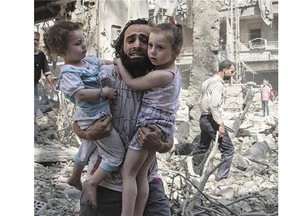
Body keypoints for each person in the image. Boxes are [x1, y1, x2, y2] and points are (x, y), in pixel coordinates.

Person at [73, 18, 173, 216]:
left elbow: (169, 141)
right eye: (131, 40)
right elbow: (77, 123)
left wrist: (159, 144)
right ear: (122, 46)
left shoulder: (163, 83)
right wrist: (90, 133)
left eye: (144, 40)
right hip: (103, 182)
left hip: (146, 183)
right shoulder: (102, 76)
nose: (137, 44)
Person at [44, 20, 126, 208]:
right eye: (77, 43)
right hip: (92, 117)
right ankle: (92, 182)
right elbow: (80, 94)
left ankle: (74, 177)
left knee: (88, 146)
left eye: (83, 41)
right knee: (116, 155)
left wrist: (116, 61)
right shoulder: (68, 72)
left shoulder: (87, 61)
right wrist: (103, 92)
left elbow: (102, 62)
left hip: (94, 114)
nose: (83, 45)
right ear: (62, 51)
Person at [115, 22, 183, 216]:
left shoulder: (160, 75)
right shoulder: (169, 72)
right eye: (151, 46)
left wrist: (119, 62)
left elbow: (133, 83)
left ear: (176, 51)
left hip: (149, 126)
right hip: (161, 124)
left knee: (128, 173)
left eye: (159, 47)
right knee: (141, 174)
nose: (152, 52)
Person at [192, 60, 236, 182]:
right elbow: (213, 106)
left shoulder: (208, 81)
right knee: (228, 149)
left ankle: (195, 173)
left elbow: (202, 100)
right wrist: (220, 124)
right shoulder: (218, 84)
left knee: (203, 147)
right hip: (211, 119)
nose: (232, 74)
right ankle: (221, 178)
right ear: (225, 69)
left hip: (204, 118)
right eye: (231, 71)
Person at [34, 31, 54, 139]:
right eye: (33, 39)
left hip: (34, 86)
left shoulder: (40, 55)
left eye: (37, 40)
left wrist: (51, 84)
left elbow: (47, 71)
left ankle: (35, 137)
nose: (35, 42)